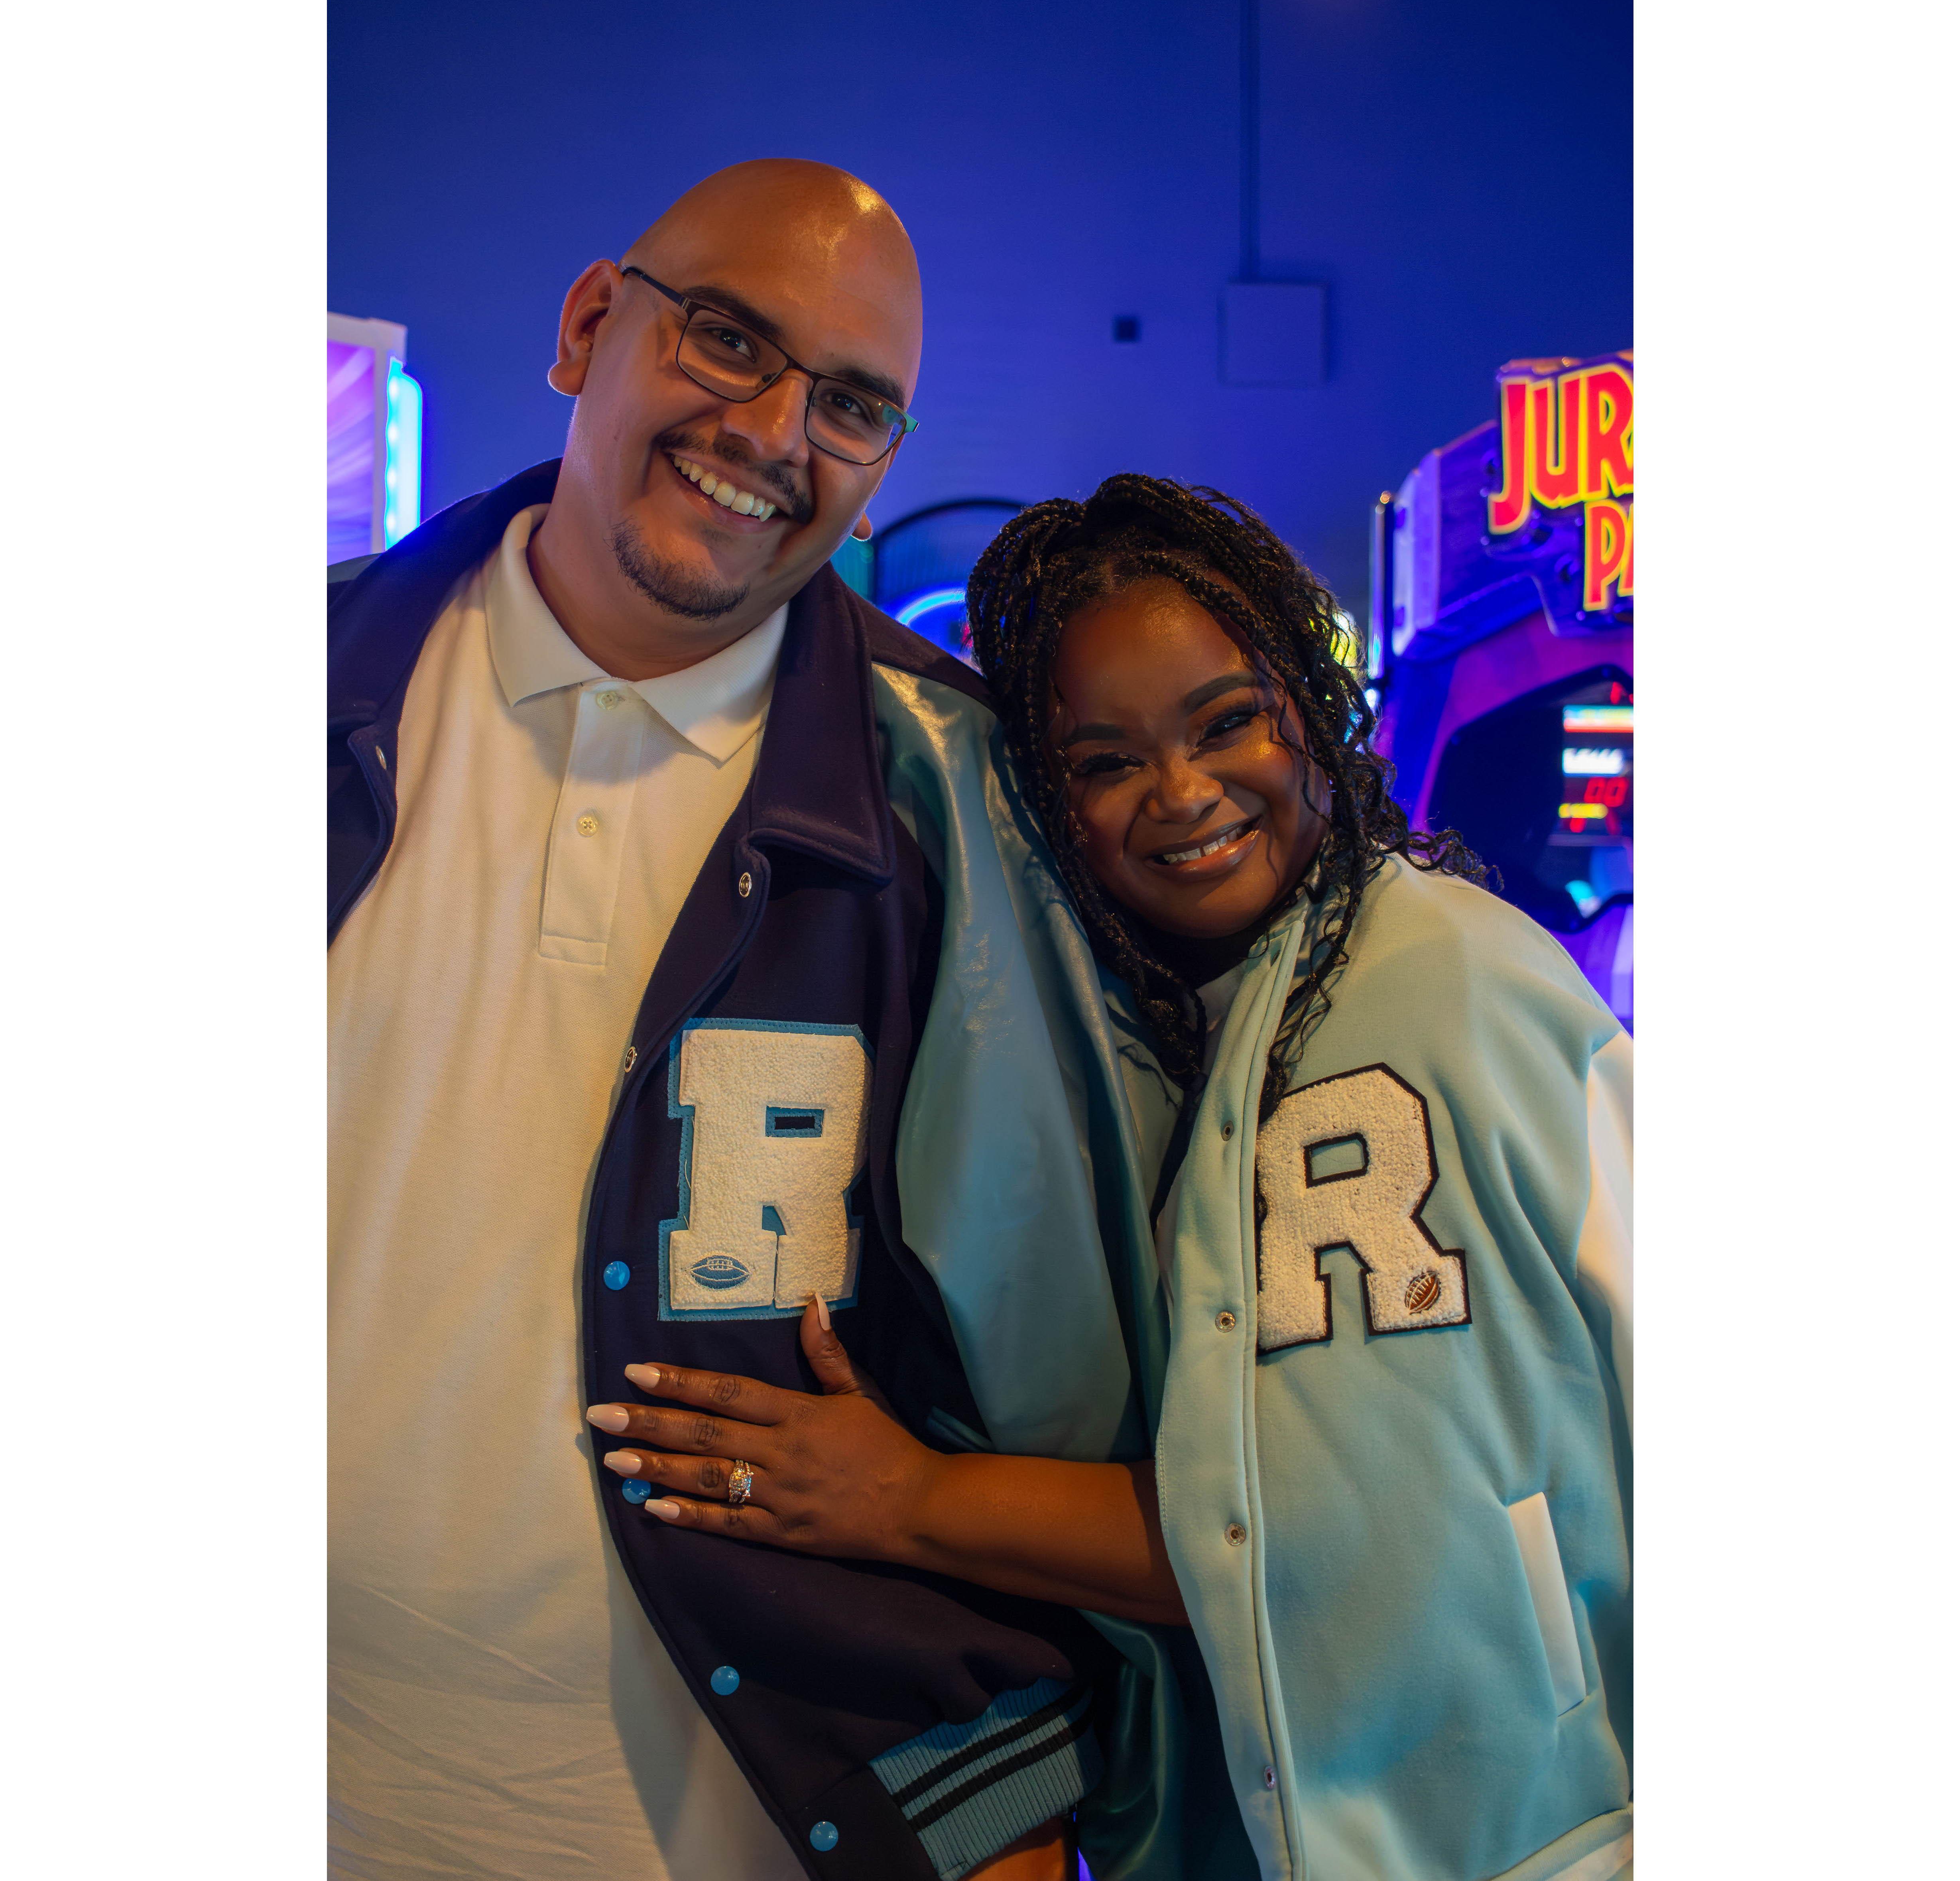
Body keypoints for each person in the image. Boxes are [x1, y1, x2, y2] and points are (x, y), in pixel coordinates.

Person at [604, 476, 1634, 1881]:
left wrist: (907, 1496)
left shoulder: (1441, 979)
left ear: (1309, 702)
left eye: (1225, 721)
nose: (1183, 793)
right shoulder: (1189, 1029)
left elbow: (1317, 1526)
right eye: (1104, 761)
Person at [328, 160, 1134, 1881]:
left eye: (850, 404)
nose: (771, 431)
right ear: (585, 326)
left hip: (750, 1817)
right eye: (727, 339)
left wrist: (1000, 1776)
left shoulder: (968, 808)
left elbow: (1062, 1358)